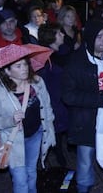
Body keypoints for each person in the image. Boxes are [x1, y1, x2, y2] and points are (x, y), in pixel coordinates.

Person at [61, 19, 103, 193]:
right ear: (89, 38)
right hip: (86, 120)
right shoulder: (76, 62)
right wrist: (98, 99)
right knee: (86, 157)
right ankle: (83, 186)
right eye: (98, 37)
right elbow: (68, 95)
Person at [0, 57, 56, 193]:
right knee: (20, 180)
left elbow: (47, 106)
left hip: (36, 134)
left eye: (25, 64)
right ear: (7, 71)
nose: (24, 68)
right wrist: (10, 120)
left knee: (31, 171)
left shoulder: (37, 82)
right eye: (18, 66)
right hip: (14, 142)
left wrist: (50, 128)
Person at [38, 23, 70, 167]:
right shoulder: (47, 59)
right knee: (56, 128)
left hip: (62, 97)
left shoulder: (60, 53)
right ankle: (59, 155)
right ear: (51, 37)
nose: (63, 35)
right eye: (59, 33)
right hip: (54, 100)